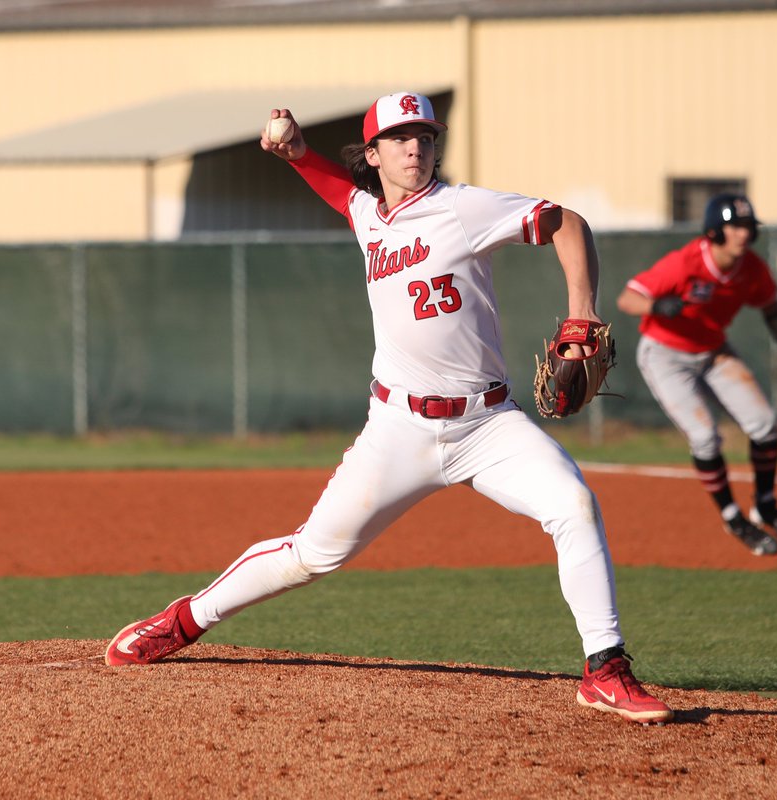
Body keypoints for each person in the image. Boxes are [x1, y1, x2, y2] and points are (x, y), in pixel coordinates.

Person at [105, 92, 672, 725]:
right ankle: (182, 620)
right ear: (372, 155)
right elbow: (336, 191)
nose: (415, 148)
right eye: (400, 138)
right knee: (313, 555)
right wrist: (295, 151)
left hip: (486, 424)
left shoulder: (462, 208)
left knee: (572, 504)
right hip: (398, 428)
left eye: (425, 137)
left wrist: (582, 311)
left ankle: (605, 668)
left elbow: (565, 221)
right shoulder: (369, 214)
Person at [615, 193, 777, 556]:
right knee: (706, 437)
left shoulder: (751, 267)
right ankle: (732, 516)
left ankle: (766, 505)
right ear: (713, 231)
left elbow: (771, 305)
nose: (743, 234)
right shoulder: (685, 263)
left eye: (748, 227)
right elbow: (627, 298)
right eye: (735, 227)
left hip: (713, 351)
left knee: (766, 423)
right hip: (665, 355)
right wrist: (656, 305)